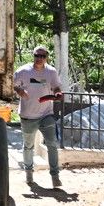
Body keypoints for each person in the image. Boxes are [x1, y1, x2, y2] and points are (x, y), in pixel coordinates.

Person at [14, 44, 65, 188]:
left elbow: (56, 86)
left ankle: (55, 176)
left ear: (46, 58)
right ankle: (29, 173)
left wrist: (57, 93)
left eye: (42, 56)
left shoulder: (51, 72)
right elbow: (12, 84)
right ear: (33, 56)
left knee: (52, 144)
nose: (39, 59)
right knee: (28, 146)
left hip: (46, 114)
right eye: (37, 55)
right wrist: (20, 91)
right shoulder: (23, 71)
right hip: (28, 116)